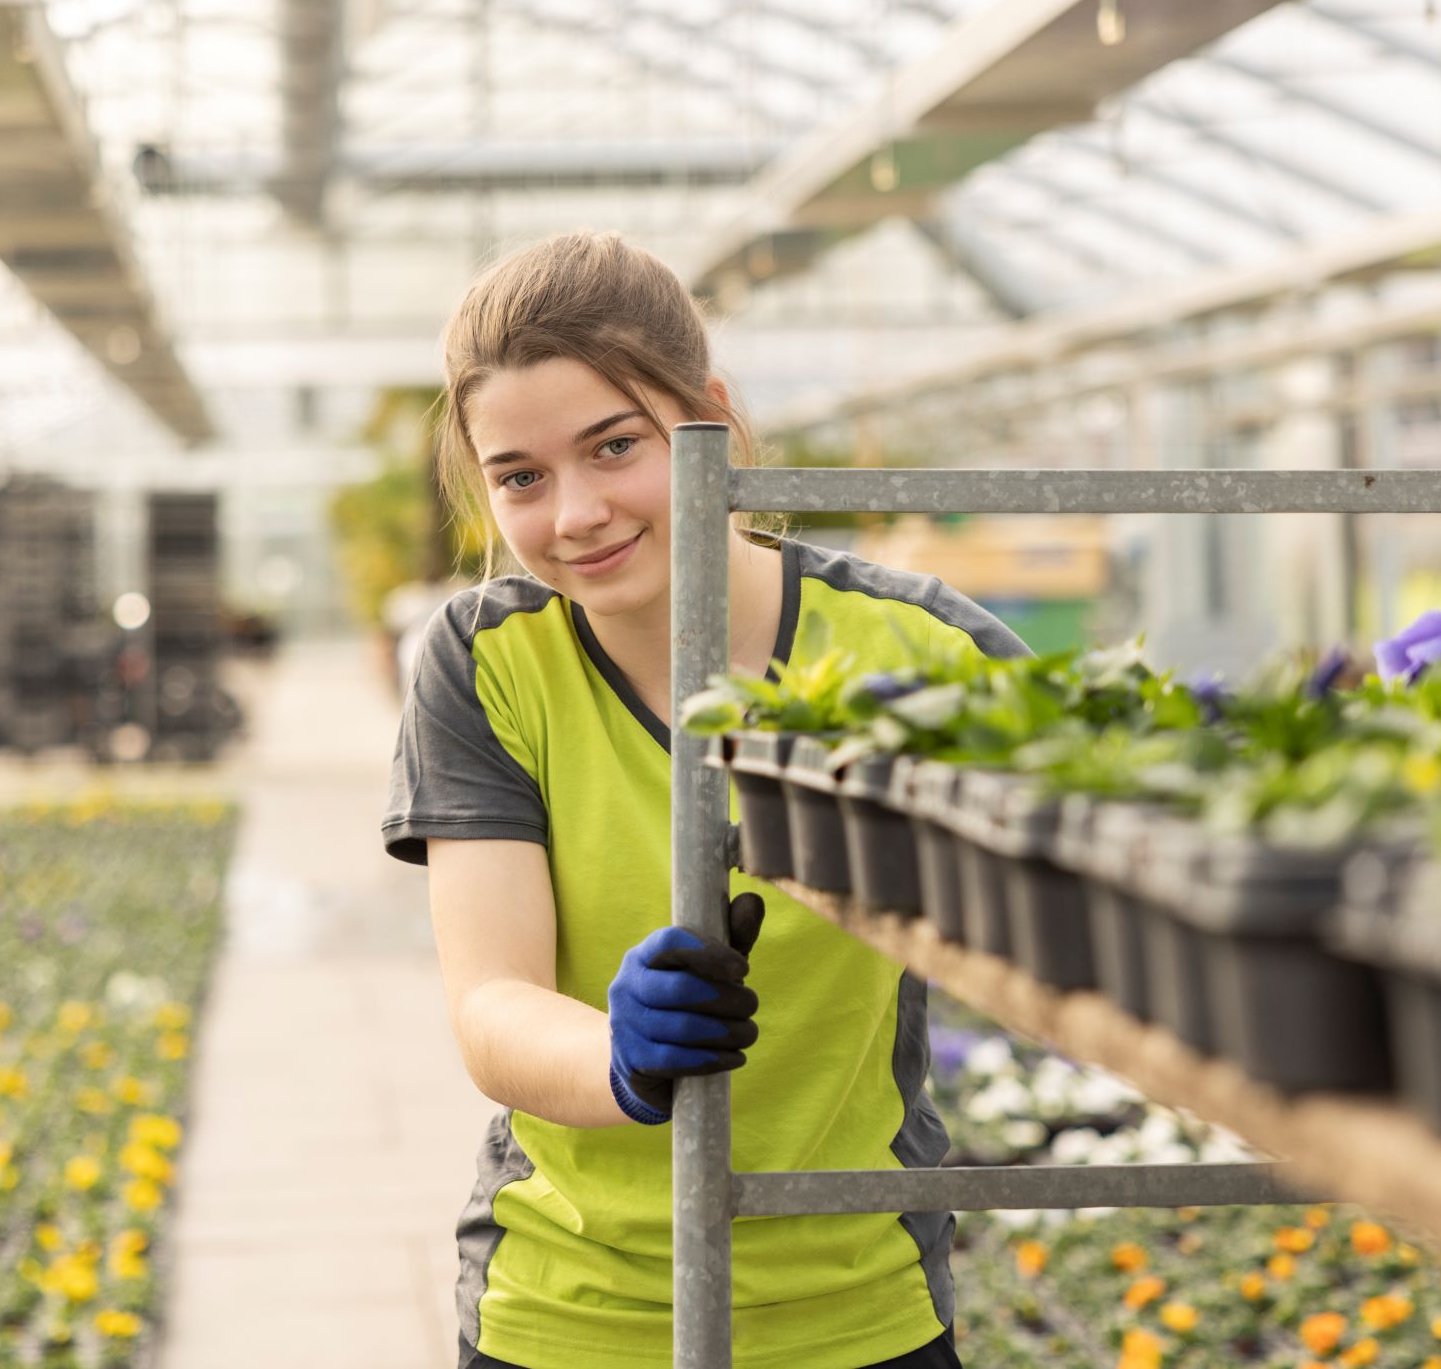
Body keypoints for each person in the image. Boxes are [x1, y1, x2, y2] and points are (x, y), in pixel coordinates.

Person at [382, 231, 1028, 1369]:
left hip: (857, 1308)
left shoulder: (916, 647)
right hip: (567, 1314)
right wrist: (620, 1057)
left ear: (714, 421)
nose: (573, 513)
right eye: (519, 476)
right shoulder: (486, 661)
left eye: (614, 446)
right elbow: (492, 1004)